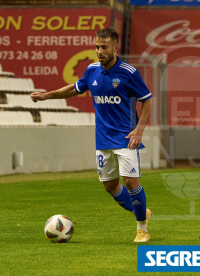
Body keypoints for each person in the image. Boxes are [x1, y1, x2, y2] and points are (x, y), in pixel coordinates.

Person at [30, 27, 153, 242]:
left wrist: (139, 129)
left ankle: (142, 228)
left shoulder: (129, 72)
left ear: (115, 47)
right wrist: (47, 95)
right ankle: (142, 211)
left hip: (126, 137)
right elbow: (74, 88)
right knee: (110, 186)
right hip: (103, 138)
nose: (99, 51)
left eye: (104, 47)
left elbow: (147, 99)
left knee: (131, 182)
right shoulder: (92, 70)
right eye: (97, 47)